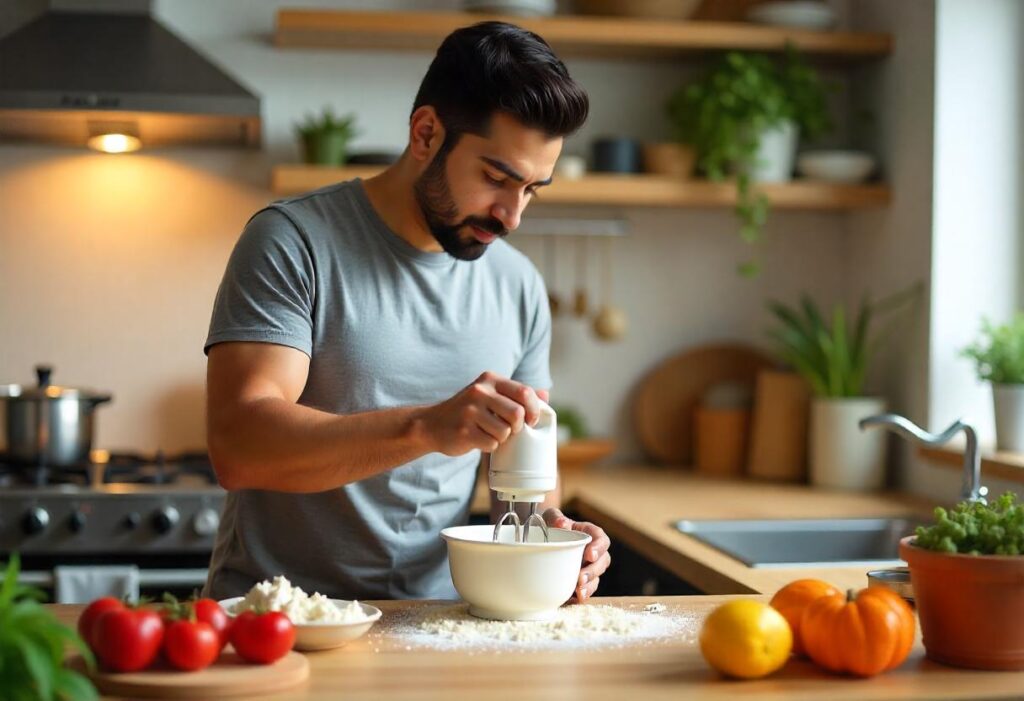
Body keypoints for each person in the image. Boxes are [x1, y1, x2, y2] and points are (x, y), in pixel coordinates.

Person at [202, 21, 611, 603]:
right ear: (425, 133)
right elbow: (239, 446)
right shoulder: (293, 241)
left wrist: (553, 541)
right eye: (497, 178)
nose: (512, 215)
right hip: (278, 617)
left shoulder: (517, 284)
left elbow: (522, 488)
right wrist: (426, 427)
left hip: (434, 625)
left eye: (532, 190)